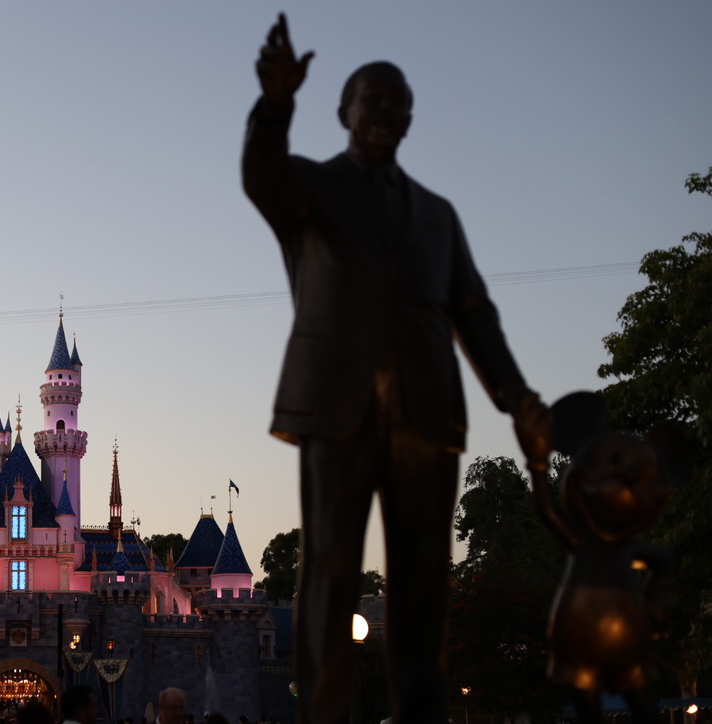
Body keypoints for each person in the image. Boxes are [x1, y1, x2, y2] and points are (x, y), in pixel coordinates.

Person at [242, 13, 546, 724]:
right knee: (327, 574)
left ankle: (420, 712)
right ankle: (325, 714)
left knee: (422, 581)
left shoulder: (437, 215)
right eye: (371, 99)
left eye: (398, 103)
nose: (385, 111)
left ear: (411, 120)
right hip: (334, 406)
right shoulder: (310, 188)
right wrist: (276, 103)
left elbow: (475, 312)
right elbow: (260, 175)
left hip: (427, 412)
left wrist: (518, 397)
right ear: (343, 111)